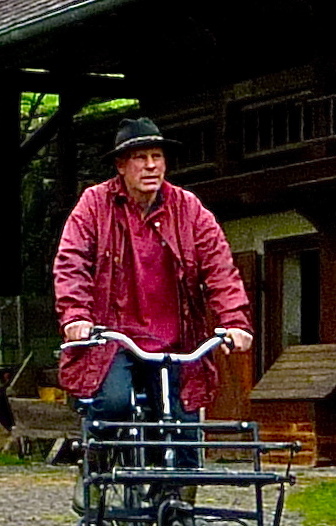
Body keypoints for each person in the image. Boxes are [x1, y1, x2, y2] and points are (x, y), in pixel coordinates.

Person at [53, 116, 252, 445]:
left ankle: (173, 495)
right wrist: (76, 316)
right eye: (140, 158)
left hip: (175, 344)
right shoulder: (94, 205)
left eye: (157, 157)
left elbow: (219, 267)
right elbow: (72, 262)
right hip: (114, 339)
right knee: (113, 404)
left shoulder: (188, 209)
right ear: (120, 165)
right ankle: (103, 471)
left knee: (183, 428)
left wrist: (234, 321)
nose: (150, 166)